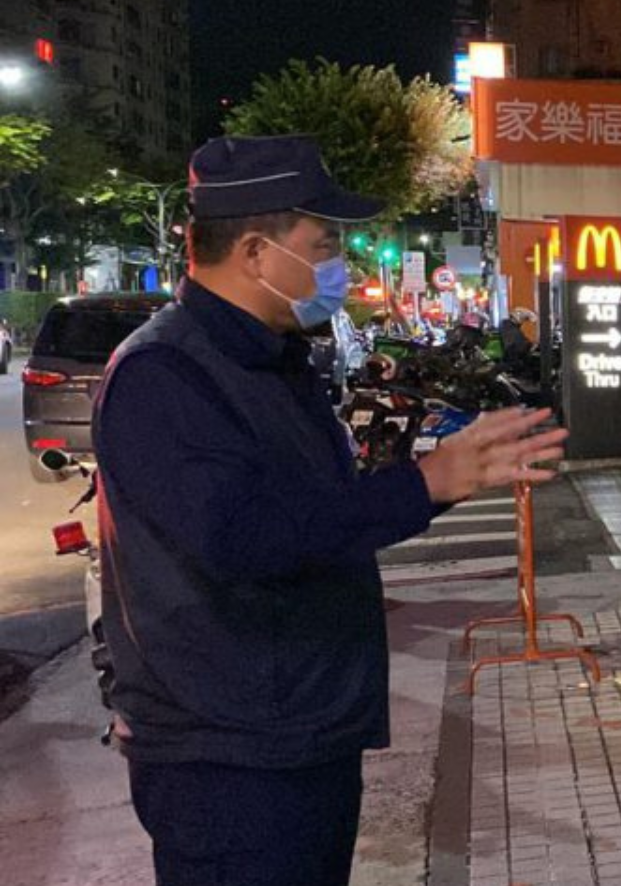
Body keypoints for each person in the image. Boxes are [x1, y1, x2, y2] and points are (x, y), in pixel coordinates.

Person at [92, 135, 567, 886]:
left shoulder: (274, 361)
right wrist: (426, 484)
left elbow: (324, 512)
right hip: (229, 757)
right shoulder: (166, 374)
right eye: (323, 243)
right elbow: (244, 537)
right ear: (254, 251)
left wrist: (444, 480)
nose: (338, 265)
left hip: (298, 733)